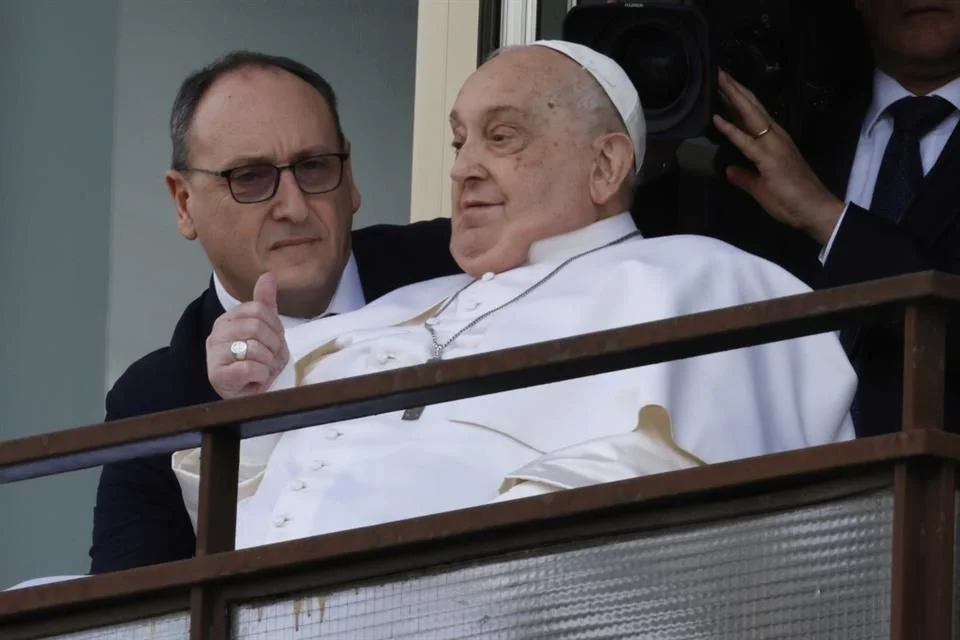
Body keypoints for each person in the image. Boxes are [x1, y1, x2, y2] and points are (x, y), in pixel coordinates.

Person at [181, 41, 856, 556]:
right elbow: (233, 517)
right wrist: (254, 404)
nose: (462, 166)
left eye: (501, 137)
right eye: (458, 140)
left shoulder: (699, 278)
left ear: (606, 166)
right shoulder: (396, 306)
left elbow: (696, 510)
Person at [87, 51, 461, 574]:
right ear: (183, 202)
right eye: (250, 178)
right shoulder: (155, 398)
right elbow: (128, 617)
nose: (293, 205)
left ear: (348, 176)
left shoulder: (454, 262)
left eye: (313, 167)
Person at [710, 0, 960, 438]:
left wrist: (828, 218)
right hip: (779, 483)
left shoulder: (791, 165)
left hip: (938, 491)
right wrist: (651, 158)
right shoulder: (788, 141)